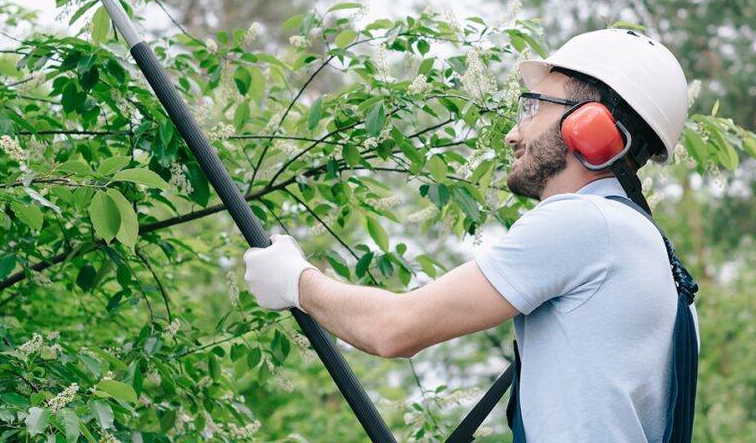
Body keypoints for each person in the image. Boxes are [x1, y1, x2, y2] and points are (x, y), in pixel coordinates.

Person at [243, 29, 697, 442]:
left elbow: (394, 329)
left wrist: (295, 281)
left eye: (534, 107)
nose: (513, 135)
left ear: (590, 124)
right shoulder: (660, 261)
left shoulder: (584, 223)